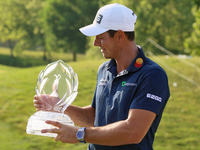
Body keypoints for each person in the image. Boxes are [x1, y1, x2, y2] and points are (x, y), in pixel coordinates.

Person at [33, 3, 170, 150]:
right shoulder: (104, 70)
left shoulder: (153, 75)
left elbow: (133, 131)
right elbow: (94, 118)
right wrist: (60, 106)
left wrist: (81, 134)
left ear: (119, 35)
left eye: (100, 37)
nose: (95, 43)